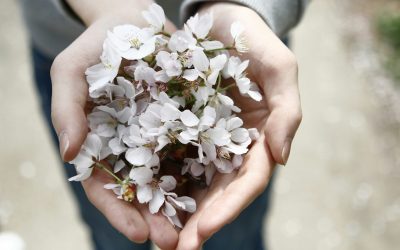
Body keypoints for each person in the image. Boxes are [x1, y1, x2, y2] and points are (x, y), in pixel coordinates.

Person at [19, 0, 306, 249]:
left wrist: (246, 7)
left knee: (235, 235)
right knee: (113, 235)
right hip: (73, 41)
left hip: (242, 33)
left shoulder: (216, 80)